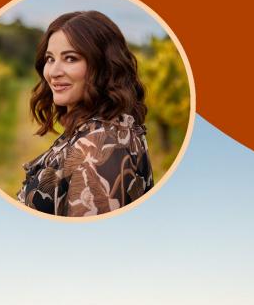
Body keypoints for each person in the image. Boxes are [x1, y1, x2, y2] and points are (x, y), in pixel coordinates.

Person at [18, 11, 153, 217]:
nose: (53, 72)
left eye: (70, 58)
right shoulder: (96, 130)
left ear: (103, 65)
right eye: (50, 59)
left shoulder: (102, 148)